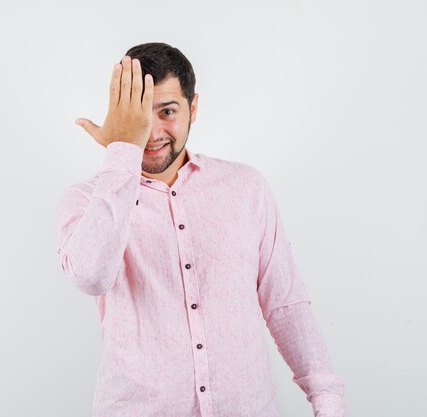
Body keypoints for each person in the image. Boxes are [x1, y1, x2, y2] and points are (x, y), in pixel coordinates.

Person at [56, 42, 345, 417]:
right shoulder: (87, 199)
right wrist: (122, 150)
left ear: (193, 108)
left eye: (167, 111)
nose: (152, 130)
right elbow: (91, 275)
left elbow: (284, 302)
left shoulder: (246, 187)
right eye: (140, 114)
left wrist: (327, 400)